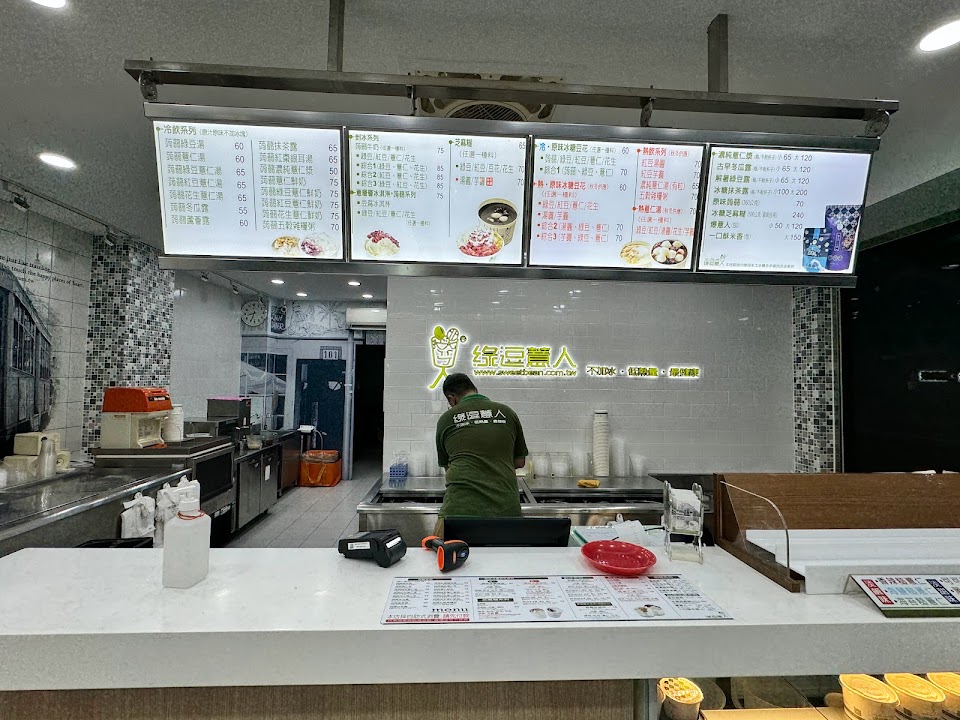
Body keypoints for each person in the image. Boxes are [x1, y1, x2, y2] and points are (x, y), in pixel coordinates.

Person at [435, 373, 528, 535]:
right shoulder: (507, 413)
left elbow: (448, 468)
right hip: (505, 510)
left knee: (444, 550)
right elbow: (520, 462)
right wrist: (495, 462)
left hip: (458, 512)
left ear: (452, 399)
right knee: (506, 551)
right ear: (475, 389)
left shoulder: (446, 419)